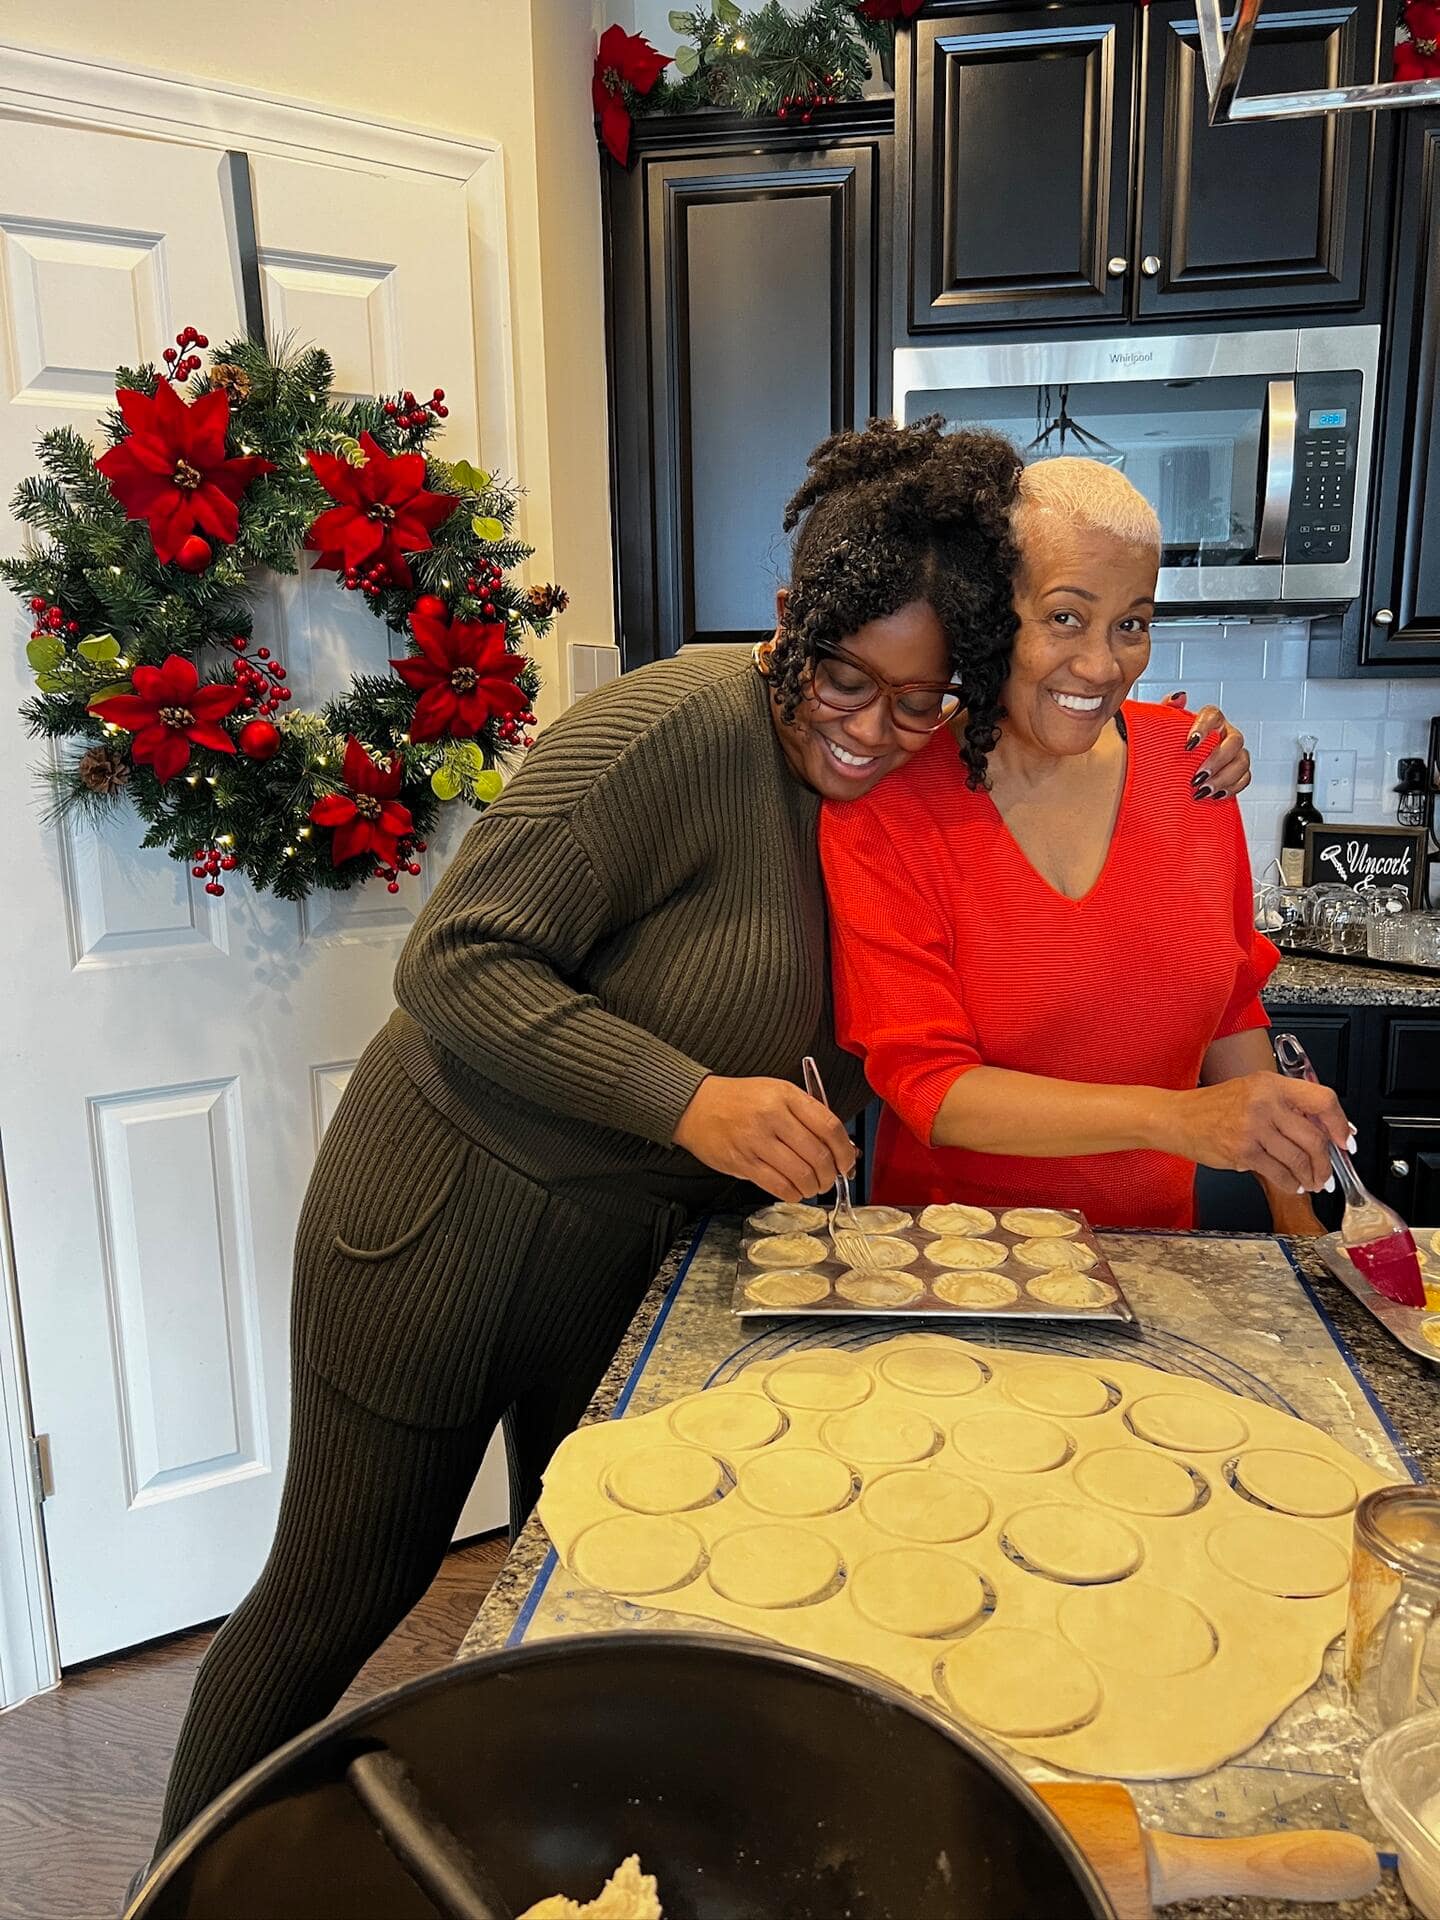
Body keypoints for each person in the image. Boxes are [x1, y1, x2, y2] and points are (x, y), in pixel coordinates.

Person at [147, 420, 1251, 1867]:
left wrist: (1186, 750)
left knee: (585, 1600)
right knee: (339, 1595)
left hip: (604, 1263)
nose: (871, 723)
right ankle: (160, 1889)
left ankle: (557, 1879)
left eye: (920, 700)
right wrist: (689, 1099)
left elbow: (1073, 779)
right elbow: (457, 963)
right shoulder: (669, 726)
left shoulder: (896, 780)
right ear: (788, 624)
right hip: (436, 1227)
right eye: (845, 674)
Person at [820, 455, 1346, 1236]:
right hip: (955, 1269)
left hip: (1159, 1262)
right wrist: (1180, 1120)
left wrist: (1300, 1231)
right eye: (1065, 616)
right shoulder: (888, 806)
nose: (1103, 667)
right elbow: (931, 1087)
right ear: (992, 613)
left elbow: (1232, 1003)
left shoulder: (1193, 767)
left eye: (1131, 624)